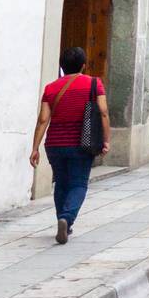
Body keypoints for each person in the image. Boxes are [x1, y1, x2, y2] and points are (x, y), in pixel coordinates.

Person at [30, 47, 111, 243]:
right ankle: (67, 218)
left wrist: (35, 147)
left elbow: (43, 120)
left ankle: (63, 221)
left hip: (55, 144)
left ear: (62, 67)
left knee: (61, 183)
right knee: (78, 183)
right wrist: (106, 139)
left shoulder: (51, 88)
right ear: (83, 65)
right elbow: (103, 112)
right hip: (82, 143)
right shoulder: (94, 84)